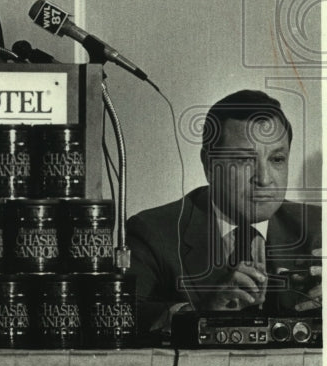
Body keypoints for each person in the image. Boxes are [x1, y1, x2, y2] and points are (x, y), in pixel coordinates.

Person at [127, 90, 322, 334]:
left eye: (277, 159)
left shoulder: (318, 228)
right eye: (243, 160)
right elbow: (123, 316)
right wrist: (204, 313)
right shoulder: (153, 232)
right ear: (209, 165)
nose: (263, 179)